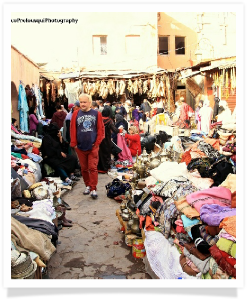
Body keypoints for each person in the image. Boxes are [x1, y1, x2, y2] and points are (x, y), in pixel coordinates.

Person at [70, 93, 105, 199]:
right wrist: (74, 144)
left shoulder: (96, 114)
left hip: (92, 146)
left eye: (85, 102)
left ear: (90, 102)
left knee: (93, 168)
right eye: (81, 102)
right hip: (80, 146)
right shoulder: (76, 114)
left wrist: (97, 143)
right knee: (84, 168)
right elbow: (72, 129)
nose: (83, 104)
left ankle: (93, 188)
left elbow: (101, 129)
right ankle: (88, 186)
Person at [98, 106, 120, 173]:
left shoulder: (99, 119)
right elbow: (115, 130)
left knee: (100, 153)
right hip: (106, 139)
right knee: (106, 153)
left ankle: (100, 168)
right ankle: (105, 168)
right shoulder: (109, 121)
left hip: (99, 138)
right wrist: (120, 130)